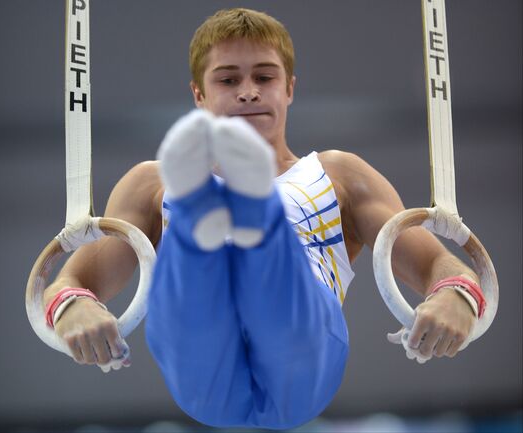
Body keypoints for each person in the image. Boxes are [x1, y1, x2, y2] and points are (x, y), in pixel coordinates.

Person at [43, 8, 483, 430]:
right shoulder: (152, 183)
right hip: (200, 357)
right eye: (228, 79)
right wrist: (73, 306)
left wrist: (454, 295)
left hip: (302, 351)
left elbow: (438, 266)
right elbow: (73, 281)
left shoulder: (339, 175)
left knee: (273, 283)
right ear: (199, 93)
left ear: (289, 87)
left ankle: (252, 222)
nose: (248, 91)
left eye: (264, 77)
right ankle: (219, 224)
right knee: (188, 282)